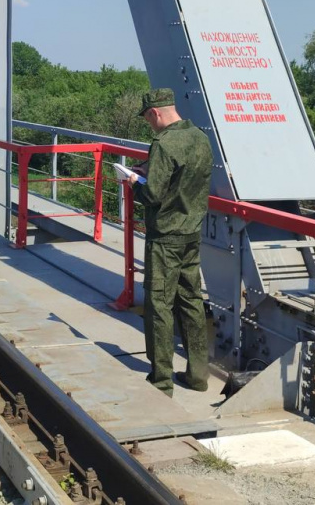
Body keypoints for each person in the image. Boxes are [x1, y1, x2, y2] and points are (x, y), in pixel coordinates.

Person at [125, 88, 213, 397]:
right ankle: (198, 376)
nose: (150, 125)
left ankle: (161, 380)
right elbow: (184, 177)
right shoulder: (199, 138)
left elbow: (153, 195)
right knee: (190, 300)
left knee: (159, 303)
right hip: (191, 232)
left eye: (148, 119)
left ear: (155, 113)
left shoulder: (163, 144)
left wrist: (135, 182)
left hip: (165, 237)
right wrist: (149, 172)